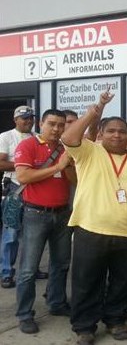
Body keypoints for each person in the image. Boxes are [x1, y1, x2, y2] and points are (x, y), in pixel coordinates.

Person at [61, 91, 127, 345]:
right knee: (86, 281)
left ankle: (116, 320)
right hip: (90, 230)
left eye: (121, 131)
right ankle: (85, 327)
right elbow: (68, 136)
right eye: (111, 131)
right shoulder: (89, 151)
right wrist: (95, 111)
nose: (117, 135)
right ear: (101, 134)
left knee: (122, 282)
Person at [14, 109, 76, 334]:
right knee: (29, 269)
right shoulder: (28, 146)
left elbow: (74, 181)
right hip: (35, 214)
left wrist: (67, 166)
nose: (57, 129)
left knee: (61, 264)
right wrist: (57, 167)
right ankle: (24, 314)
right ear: (41, 123)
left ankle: (57, 303)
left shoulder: (65, 148)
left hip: (62, 213)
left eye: (61, 125)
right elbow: (23, 177)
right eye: (52, 124)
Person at [0, 106, 48, 289]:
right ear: (15, 120)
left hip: (34, 187)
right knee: (11, 233)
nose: (28, 121)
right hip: (14, 189)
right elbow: (1, 163)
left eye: (30, 118)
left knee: (32, 234)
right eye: (24, 118)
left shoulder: (37, 138)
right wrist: (25, 164)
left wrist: (29, 167)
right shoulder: (6, 137)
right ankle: (6, 272)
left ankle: (31, 269)